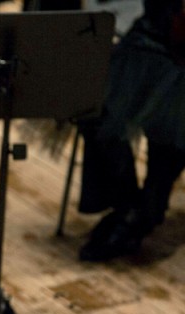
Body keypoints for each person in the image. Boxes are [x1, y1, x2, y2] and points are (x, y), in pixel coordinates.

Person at [78, 0, 185, 261]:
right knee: (91, 107)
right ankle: (127, 204)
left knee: (172, 118)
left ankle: (145, 211)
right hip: (151, 35)